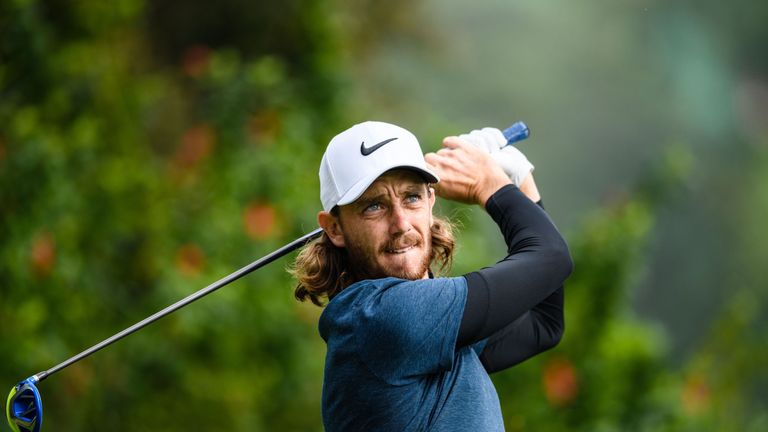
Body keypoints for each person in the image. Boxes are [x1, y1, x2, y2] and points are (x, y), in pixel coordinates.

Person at [290, 121, 573, 431]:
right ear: (334, 228)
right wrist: (491, 185)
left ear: (431, 201)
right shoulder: (381, 318)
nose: (401, 223)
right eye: (374, 206)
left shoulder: (420, 328)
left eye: (412, 197)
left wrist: (519, 181)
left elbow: (543, 324)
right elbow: (551, 257)